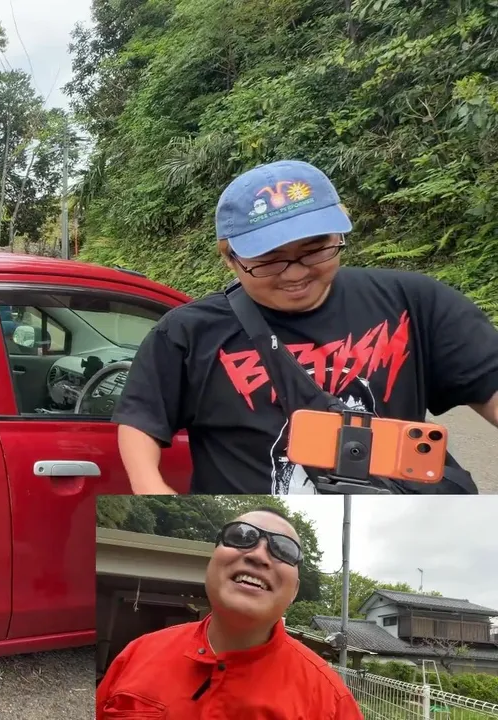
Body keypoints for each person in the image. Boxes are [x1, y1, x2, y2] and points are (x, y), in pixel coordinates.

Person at [113, 159, 498, 494]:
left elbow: (487, 383)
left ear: (339, 234)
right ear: (230, 257)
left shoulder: (413, 302)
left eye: (314, 250)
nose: (295, 274)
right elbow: (141, 420)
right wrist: (151, 488)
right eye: (269, 260)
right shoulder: (188, 332)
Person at [96, 508, 364, 719]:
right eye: (241, 536)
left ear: (294, 591)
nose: (258, 555)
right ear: (211, 564)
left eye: (284, 550)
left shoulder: (330, 701)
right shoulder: (137, 655)